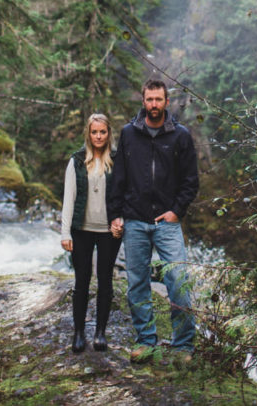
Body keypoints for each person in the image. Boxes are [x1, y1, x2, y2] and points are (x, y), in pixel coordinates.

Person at [108, 79, 199, 363]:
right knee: (137, 283)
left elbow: (191, 180)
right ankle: (146, 341)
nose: (154, 105)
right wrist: (115, 214)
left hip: (167, 222)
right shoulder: (128, 134)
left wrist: (176, 210)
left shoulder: (180, 136)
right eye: (149, 100)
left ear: (166, 102)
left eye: (159, 100)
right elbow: (119, 177)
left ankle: (183, 345)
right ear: (143, 101)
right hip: (134, 220)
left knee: (178, 280)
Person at [60, 113, 124, 353]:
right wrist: (65, 233)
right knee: (82, 281)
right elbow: (69, 199)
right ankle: (78, 333)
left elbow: (124, 195)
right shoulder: (76, 161)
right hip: (81, 230)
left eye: (103, 132)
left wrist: (121, 221)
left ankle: (100, 333)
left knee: (105, 281)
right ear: (88, 134)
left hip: (108, 230)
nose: (98, 136)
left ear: (109, 134)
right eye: (94, 132)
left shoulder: (117, 160)